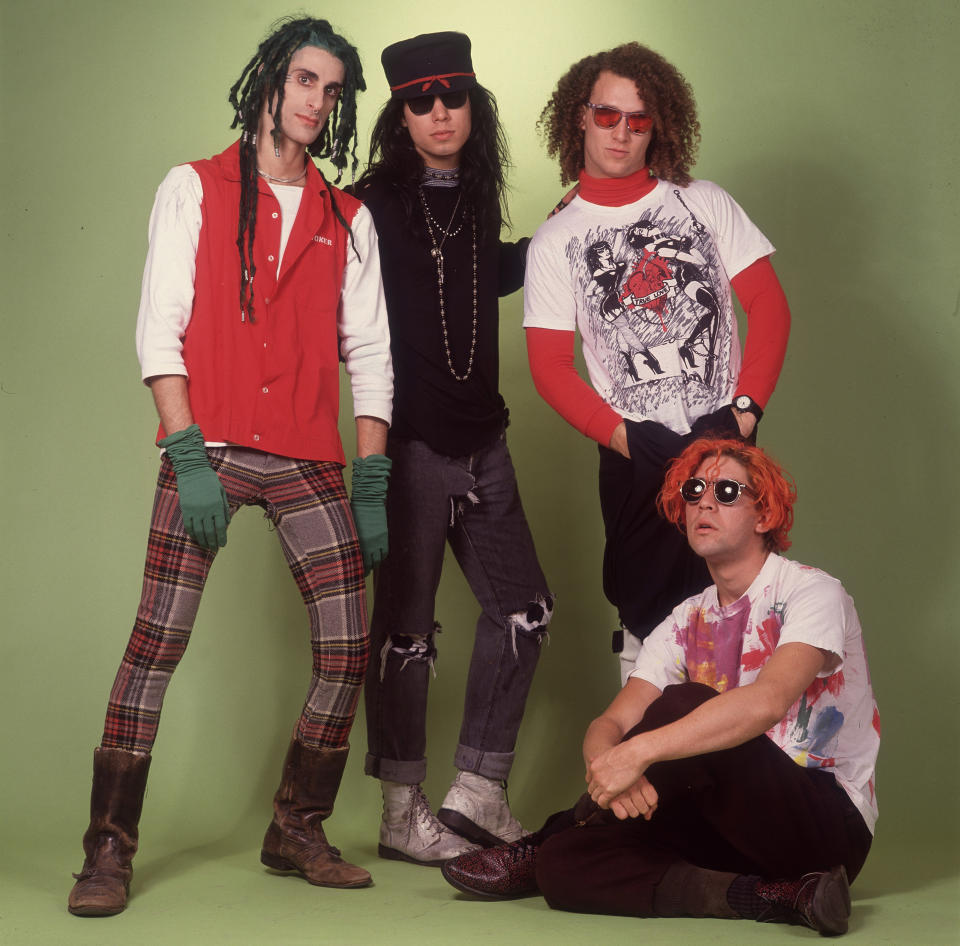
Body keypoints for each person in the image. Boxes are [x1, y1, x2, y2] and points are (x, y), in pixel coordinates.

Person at [67, 17, 394, 916]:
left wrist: (369, 481)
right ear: (267, 83)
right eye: (302, 79)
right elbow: (158, 327)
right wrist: (186, 454)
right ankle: (106, 847)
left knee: (345, 644)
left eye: (331, 89)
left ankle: (296, 828)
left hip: (306, 454)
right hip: (206, 443)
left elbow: (370, 353)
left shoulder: (348, 218)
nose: (314, 100)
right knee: (156, 643)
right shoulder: (194, 188)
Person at [441, 437, 880, 936]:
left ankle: (547, 834)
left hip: (825, 827)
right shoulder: (684, 618)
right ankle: (773, 897)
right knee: (564, 865)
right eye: (694, 491)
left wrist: (639, 753)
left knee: (685, 704)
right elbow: (611, 723)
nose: (704, 502)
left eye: (727, 490)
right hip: (732, 830)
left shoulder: (811, 591)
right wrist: (615, 764)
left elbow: (766, 702)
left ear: (764, 516)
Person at [523, 42, 792, 676]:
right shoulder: (556, 240)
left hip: (725, 441)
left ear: (658, 125)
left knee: (744, 612)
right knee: (646, 625)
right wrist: (625, 440)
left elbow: (770, 309)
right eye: (608, 115)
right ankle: (645, 766)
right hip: (636, 457)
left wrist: (743, 416)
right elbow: (550, 367)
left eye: (638, 119)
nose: (622, 132)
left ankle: (740, 768)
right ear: (580, 118)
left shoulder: (703, 201)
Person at [351, 31, 553, 867]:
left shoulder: (474, 193)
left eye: (453, 96)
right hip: (412, 448)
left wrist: (575, 230)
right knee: (406, 633)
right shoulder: (365, 204)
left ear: (475, 104)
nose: (440, 113)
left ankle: (477, 790)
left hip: (487, 440)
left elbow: (494, 270)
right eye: (420, 100)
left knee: (524, 614)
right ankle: (402, 810)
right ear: (400, 114)